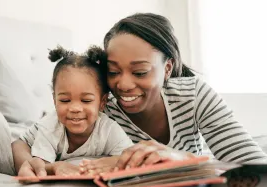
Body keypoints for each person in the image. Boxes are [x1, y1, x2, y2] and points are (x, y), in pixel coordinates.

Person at [79, 12, 267, 175]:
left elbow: (256, 167)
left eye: (140, 72)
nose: (124, 85)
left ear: (167, 68)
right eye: (113, 72)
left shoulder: (193, 95)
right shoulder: (101, 108)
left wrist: (181, 159)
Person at [12, 46, 133, 177]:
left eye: (86, 100)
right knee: (25, 164)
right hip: (25, 143)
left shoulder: (109, 129)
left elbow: (130, 157)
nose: (75, 108)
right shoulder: (50, 127)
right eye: (65, 100)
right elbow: (42, 167)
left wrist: (114, 162)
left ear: (102, 102)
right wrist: (53, 167)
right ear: (54, 100)